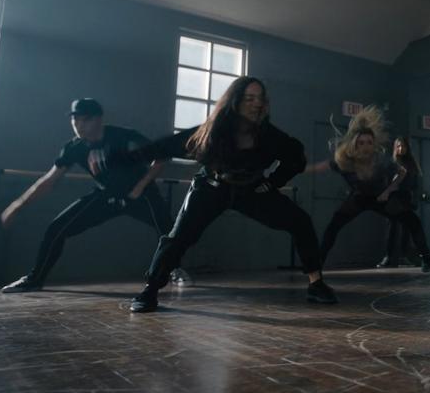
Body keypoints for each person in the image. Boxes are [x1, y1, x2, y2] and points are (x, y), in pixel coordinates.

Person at [125, 77, 335, 312]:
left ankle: (316, 284)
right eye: (249, 98)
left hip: (251, 190)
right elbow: (167, 146)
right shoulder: (213, 131)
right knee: (179, 237)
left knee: (300, 221)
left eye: (261, 99)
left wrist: (273, 182)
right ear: (235, 102)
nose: (257, 104)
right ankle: (150, 290)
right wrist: (127, 159)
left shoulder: (270, 136)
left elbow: (296, 158)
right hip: (211, 188)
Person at [0, 98, 189, 293]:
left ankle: (174, 269)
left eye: (84, 120)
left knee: (167, 229)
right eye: (75, 120)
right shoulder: (74, 148)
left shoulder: (123, 136)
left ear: (98, 119)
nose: (78, 125)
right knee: (57, 228)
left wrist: (140, 186)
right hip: (106, 196)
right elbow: (49, 180)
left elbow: (162, 155)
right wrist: (18, 205)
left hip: (140, 194)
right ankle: (34, 279)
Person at [307, 107, 430, 276]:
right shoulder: (347, 160)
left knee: (412, 221)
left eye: (369, 142)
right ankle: (317, 263)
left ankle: (427, 261)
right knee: (333, 226)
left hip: (380, 199)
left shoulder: (381, 161)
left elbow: (402, 172)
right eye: (361, 142)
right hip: (358, 199)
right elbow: (323, 166)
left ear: (374, 144)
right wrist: (301, 169)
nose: (365, 146)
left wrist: (388, 190)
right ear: (355, 144)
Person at [376, 137, 421, 268]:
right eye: (399, 146)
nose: (401, 149)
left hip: (406, 198)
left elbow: (416, 184)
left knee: (406, 229)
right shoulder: (391, 163)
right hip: (393, 198)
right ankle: (389, 257)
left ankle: (404, 256)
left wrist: (414, 199)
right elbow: (386, 182)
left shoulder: (412, 164)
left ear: (407, 148)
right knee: (392, 228)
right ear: (395, 148)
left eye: (403, 146)